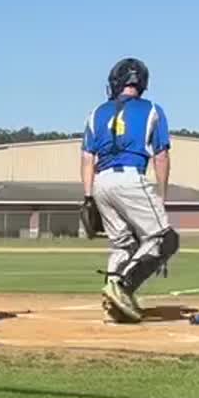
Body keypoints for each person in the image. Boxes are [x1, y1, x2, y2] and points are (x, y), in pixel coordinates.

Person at [81, 58, 175, 325]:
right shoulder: (152, 110)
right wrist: (162, 197)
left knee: (123, 244)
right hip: (131, 177)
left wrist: (88, 197)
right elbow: (161, 156)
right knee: (165, 240)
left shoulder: (96, 112)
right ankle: (122, 287)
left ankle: (113, 306)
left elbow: (88, 157)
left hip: (101, 182)